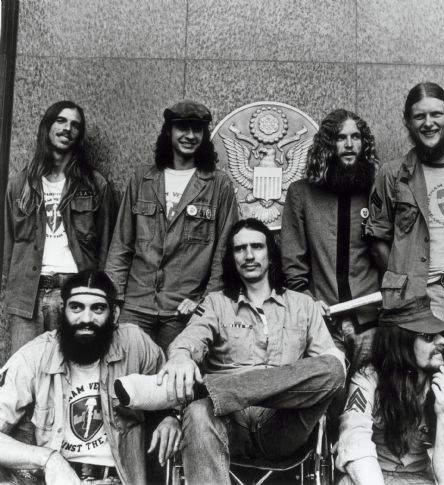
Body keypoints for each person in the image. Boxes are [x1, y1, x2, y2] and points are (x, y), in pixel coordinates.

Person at [119, 218, 345, 484]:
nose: (249, 255)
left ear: (270, 254)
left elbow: (330, 371)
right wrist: (181, 357)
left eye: (257, 247)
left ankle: (207, 388)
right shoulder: (216, 303)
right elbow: (189, 339)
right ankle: (213, 394)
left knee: (333, 367)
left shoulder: (303, 305)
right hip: (228, 424)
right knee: (197, 412)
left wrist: (224, 388)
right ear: (232, 258)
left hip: (283, 427)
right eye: (240, 249)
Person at [365, 82, 444, 482]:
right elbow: (377, 237)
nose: (428, 122)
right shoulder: (391, 175)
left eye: (436, 114)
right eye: (419, 116)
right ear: (407, 121)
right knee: (412, 400)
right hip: (411, 307)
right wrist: (402, 280)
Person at [0, 270, 178, 485]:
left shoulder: (135, 344)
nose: (86, 319)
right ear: (62, 309)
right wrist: (49, 460)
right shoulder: (35, 355)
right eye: (76, 307)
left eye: (98, 308)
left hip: (118, 479)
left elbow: (174, 391)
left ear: (114, 314)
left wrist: (171, 417)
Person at [105, 100, 238, 352]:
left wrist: (205, 301)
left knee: (174, 384)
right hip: (135, 305)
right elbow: (121, 245)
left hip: (182, 310)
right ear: (169, 132)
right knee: (125, 378)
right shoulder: (142, 178)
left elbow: (224, 253)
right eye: (182, 128)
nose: (190, 136)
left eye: (197, 129)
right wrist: (114, 299)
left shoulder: (219, 185)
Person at [2, 100, 116, 354]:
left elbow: (106, 247)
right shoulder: (20, 184)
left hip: (75, 292)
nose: (68, 128)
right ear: (47, 127)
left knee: (73, 373)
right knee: (23, 376)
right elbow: (9, 244)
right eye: (61, 121)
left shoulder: (96, 185)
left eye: (76, 125)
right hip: (27, 295)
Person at [281, 108, 380, 370]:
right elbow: (293, 262)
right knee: (326, 402)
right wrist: (307, 299)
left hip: (370, 323)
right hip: (324, 325)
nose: (349, 145)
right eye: (340, 138)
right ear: (327, 144)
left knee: (366, 402)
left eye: (356, 137)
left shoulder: (376, 189)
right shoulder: (301, 193)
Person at [335, 298, 444, 485]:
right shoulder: (369, 378)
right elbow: (355, 444)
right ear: (401, 342)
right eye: (429, 336)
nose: (442, 340)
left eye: (439, 334)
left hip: (420, 479)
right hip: (371, 478)